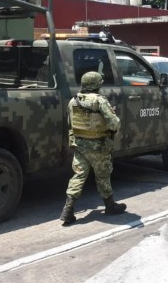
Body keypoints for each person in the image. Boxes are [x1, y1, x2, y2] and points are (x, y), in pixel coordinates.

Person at [60, 71, 127, 226]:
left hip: (80, 146)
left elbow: (71, 125)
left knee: (78, 177)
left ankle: (67, 211)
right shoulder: (100, 101)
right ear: (96, 85)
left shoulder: (73, 101)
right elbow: (115, 124)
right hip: (99, 147)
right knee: (103, 176)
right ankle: (110, 206)